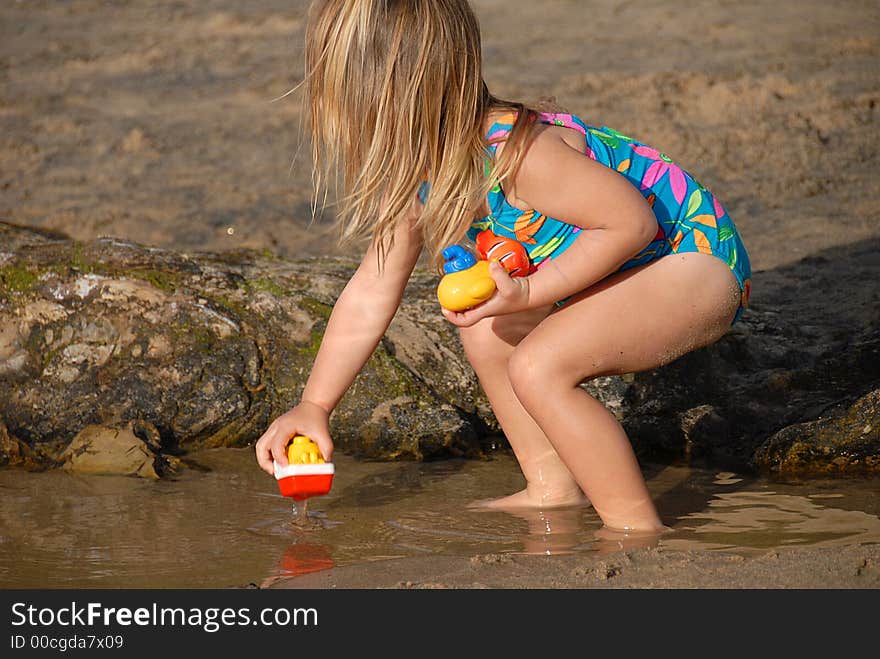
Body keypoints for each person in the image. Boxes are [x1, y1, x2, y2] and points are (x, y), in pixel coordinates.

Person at [255, 0, 751, 535]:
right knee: (485, 327)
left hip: (691, 262)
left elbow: (631, 225)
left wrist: (534, 290)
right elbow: (371, 291)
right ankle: (552, 489)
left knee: (540, 367)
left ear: (382, 101)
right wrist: (314, 405)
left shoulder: (520, 156)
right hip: (617, 271)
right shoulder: (416, 174)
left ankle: (635, 531)